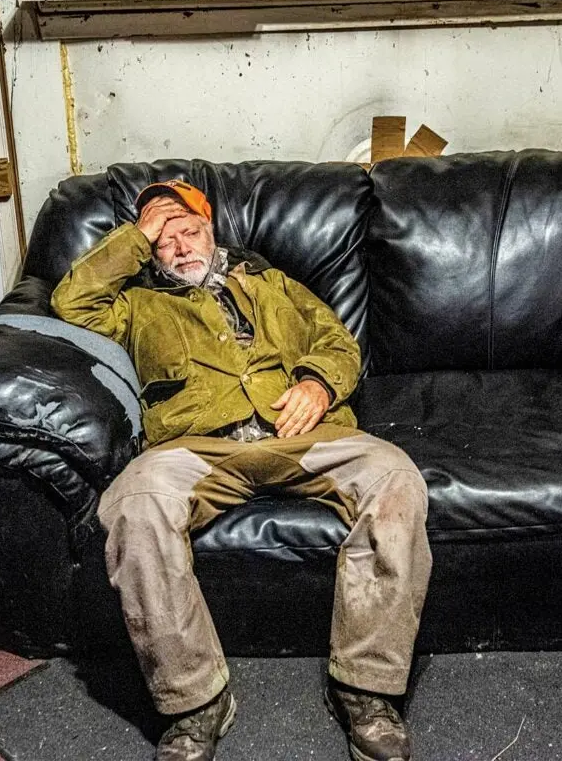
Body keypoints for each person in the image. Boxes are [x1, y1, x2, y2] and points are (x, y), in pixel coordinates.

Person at [51, 179, 432, 761]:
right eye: (162, 236)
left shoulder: (270, 284)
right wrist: (137, 234)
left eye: (188, 228)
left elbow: (335, 338)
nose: (178, 244)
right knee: (132, 506)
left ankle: (365, 690)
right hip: (197, 445)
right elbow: (71, 303)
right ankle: (194, 702)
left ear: (212, 231)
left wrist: (317, 383)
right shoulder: (135, 305)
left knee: (395, 479)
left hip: (300, 432)